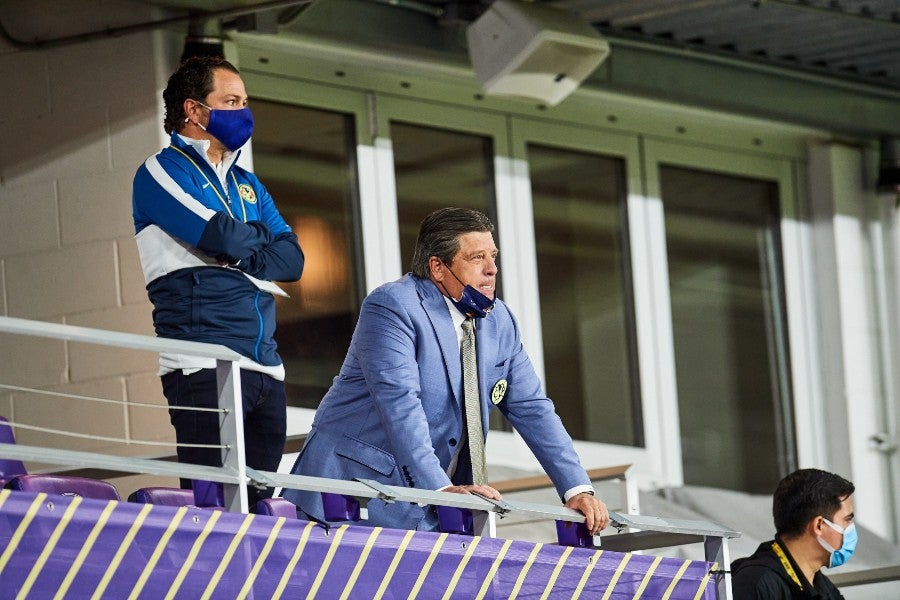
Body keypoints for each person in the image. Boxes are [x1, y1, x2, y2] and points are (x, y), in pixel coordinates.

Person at [283, 207, 608, 533]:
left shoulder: (500, 321)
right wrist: (438, 490)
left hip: (427, 508)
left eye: (493, 256)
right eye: (477, 258)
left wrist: (576, 489)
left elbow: (533, 407)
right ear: (438, 267)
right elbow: (400, 403)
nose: (492, 269)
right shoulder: (393, 305)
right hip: (345, 498)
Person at [132, 56, 304, 507]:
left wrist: (242, 245)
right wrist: (253, 240)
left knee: (265, 509)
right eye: (230, 101)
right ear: (194, 110)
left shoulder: (249, 182)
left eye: (245, 101)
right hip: (203, 363)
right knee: (214, 510)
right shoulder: (160, 170)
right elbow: (217, 234)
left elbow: (292, 259)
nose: (243, 110)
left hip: (267, 367)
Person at [731, 468, 856, 600]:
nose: (851, 528)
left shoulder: (820, 585)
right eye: (847, 520)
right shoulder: (756, 584)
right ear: (819, 525)